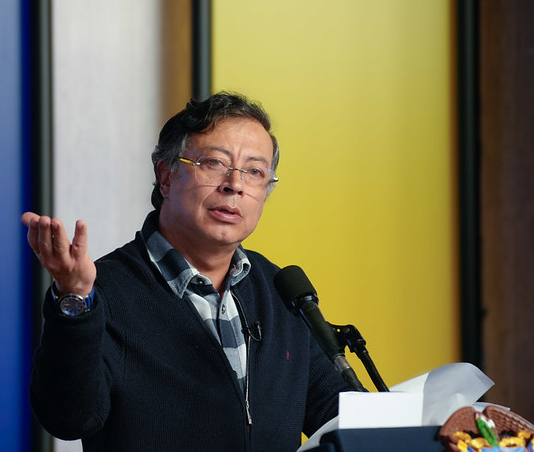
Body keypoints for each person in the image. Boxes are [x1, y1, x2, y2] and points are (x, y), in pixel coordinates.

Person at [22, 92, 350, 451]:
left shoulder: (279, 290)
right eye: (214, 163)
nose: (235, 184)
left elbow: (338, 416)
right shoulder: (106, 291)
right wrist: (73, 299)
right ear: (165, 176)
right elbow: (68, 419)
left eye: (255, 171)